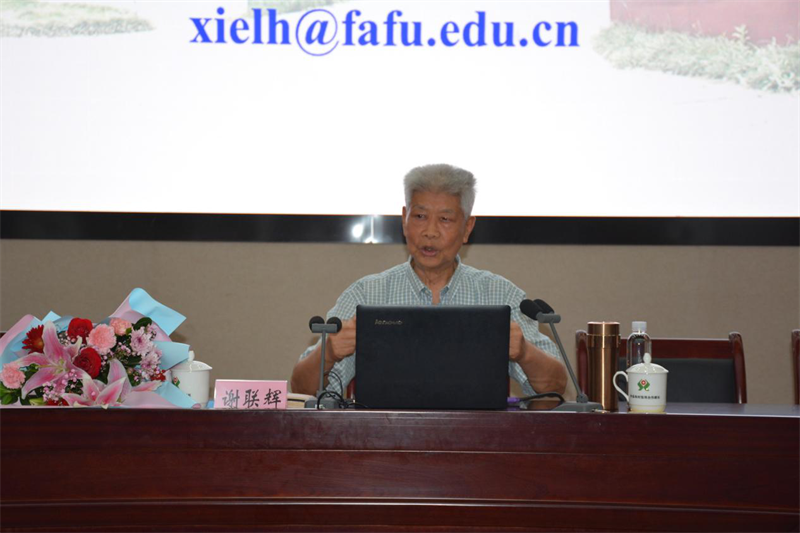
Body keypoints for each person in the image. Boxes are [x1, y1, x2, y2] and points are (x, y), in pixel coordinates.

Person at [291, 164, 567, 397]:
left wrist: (524, 353)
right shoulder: (366, 294)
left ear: (467, 227)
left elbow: (555, 387)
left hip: (477, 440)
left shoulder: (500, 295)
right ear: (404, 219)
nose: (430, 232)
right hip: (386, 437)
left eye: (445, 219)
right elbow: (303, 390)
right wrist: (329, 352)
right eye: (420, 216)